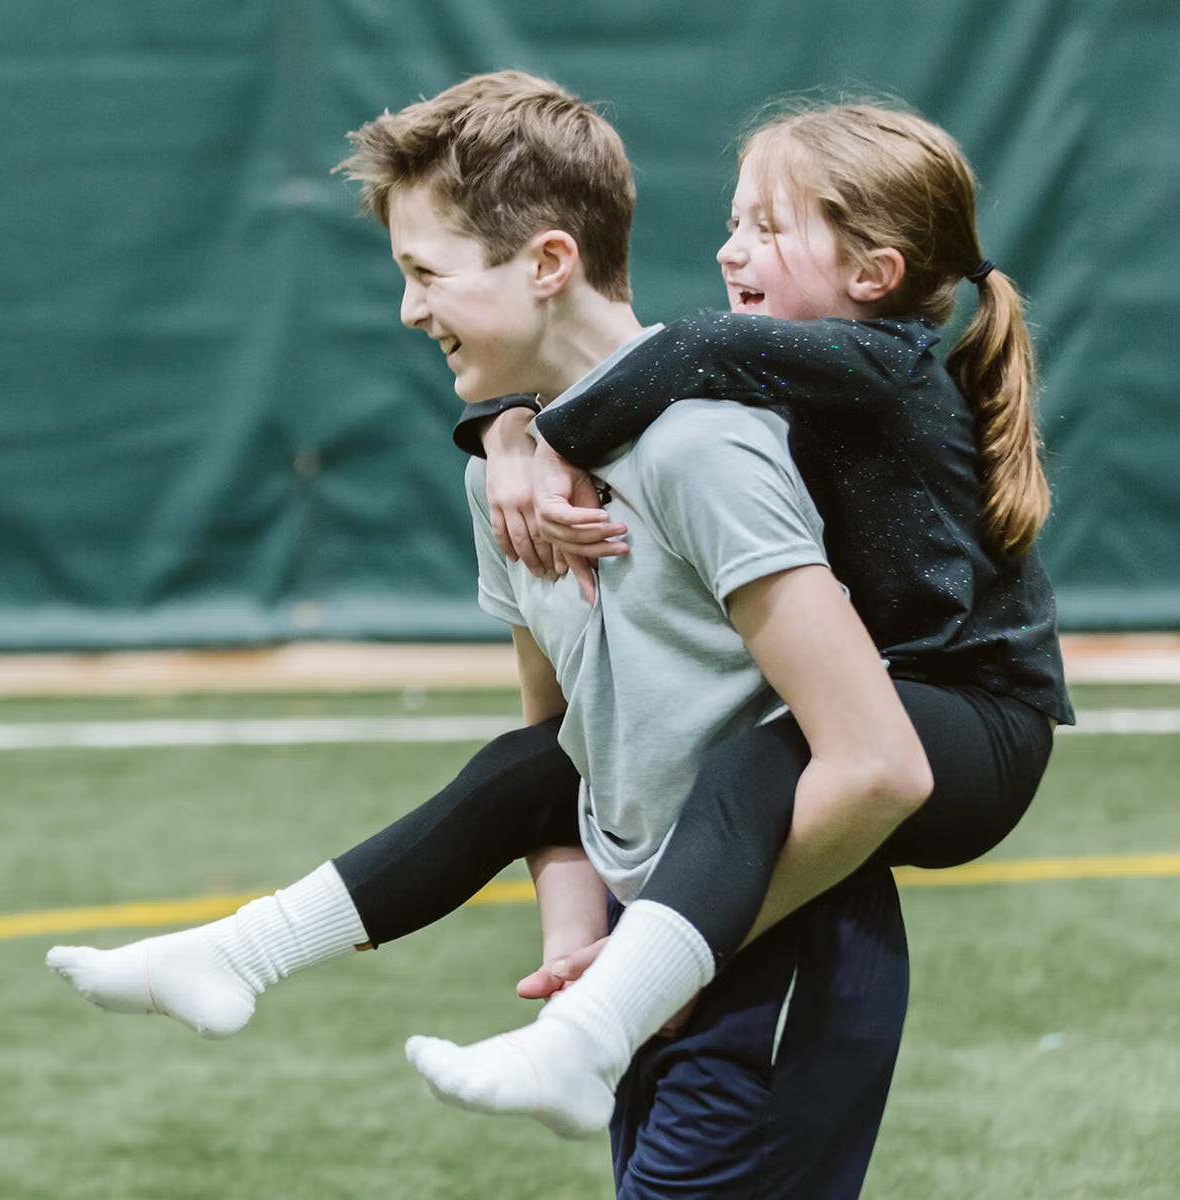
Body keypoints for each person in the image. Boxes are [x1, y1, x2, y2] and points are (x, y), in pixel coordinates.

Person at [47, 72, 930, 1199]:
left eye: (427, 273)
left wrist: (668, 961)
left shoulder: (705, 448)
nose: (408, 309)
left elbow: (870, 763)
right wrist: (577, 949)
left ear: (549, 263)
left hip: (774, 944)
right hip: (639, 953)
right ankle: (245, 950)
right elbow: (558, 762)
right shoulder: (499, 475)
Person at [406, 98, 1074, 1144]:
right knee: (531, 769)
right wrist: (504, 428)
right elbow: (660, 368)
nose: (729, 250)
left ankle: (600, 1025)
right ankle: (253, 948)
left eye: (766, 227)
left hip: (981, 727)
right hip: (911, 702)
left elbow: (685, 353)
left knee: (756, 764)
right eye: (732, 223)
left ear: (874, 274)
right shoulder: (806, 365)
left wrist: (541, 436)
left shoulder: (880, 363)